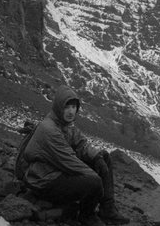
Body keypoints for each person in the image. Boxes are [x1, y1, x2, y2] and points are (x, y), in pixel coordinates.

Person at [16, 85, 130, 226]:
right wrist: (95, 178)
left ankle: (107, 208)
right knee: (93, 182)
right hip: (44, 181)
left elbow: (82, 144)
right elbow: (69, 161)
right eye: (67, 107)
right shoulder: (49, 129)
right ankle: (86, 215)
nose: (71, 111)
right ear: (59, 107)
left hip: (56, 171)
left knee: (103, 157)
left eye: (74, 107)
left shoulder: (66, 125)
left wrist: (97, 158)